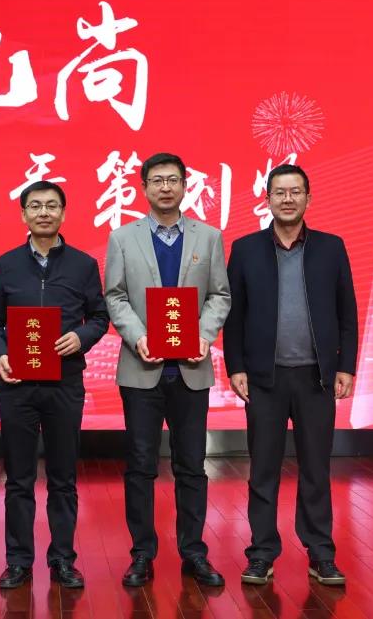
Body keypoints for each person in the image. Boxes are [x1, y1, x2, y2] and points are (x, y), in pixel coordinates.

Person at [223, 163, 357, 587]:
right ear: (267, 199)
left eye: (295, 191)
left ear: (308, 198)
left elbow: (347, 312)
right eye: (279, 192)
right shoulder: (246, 249)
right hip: (265, 379)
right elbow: (233, 315)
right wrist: (236, 366)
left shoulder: (331, 248)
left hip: (316, 378)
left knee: (316, 469)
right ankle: (261, 553)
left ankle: (321, 554)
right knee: (263, 469)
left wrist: (346, 366)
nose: (287, 199)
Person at [103, 152, 231, 587]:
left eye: (173, 180)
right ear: (143, 187)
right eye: (156, 180)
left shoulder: (208, 237)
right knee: (140, 465)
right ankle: (142, 554)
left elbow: (220, 295)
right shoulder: (123, 238)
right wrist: (138, 335)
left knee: (192, 465)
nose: (165, 187)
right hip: (142, 371)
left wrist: (203, 335)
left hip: (191, 370)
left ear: (184, 185)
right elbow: (115, 296)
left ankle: (194, 553)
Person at [0, 181, 110, 589]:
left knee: (63, 476)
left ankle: (63, 560)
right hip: (17, 383)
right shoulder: (6, 263)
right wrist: (1, 354)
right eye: (35, 206)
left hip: (64, 382)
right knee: (18, 477)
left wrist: (81, 337)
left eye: (52, 206)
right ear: (23, 214)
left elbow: (100, 317)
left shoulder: (83, 264)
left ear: (63, 213)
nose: (43, 212)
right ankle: (18, 561)